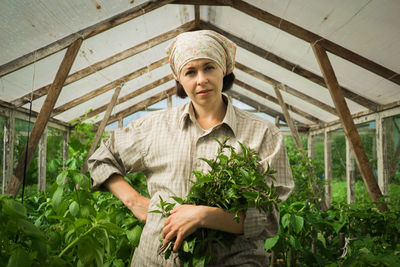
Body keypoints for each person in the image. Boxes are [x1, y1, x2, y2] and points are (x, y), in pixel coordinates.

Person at [88, 30, 294, 266]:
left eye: (209, 67)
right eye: (190, 72)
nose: (201, 80)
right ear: (179, 78)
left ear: (224, 70)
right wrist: (135, 202)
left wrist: (205, 215)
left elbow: (268, 219)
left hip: (233, 260)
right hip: (156, 259)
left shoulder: (263, 133)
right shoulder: (153, 127)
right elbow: (101, 159)